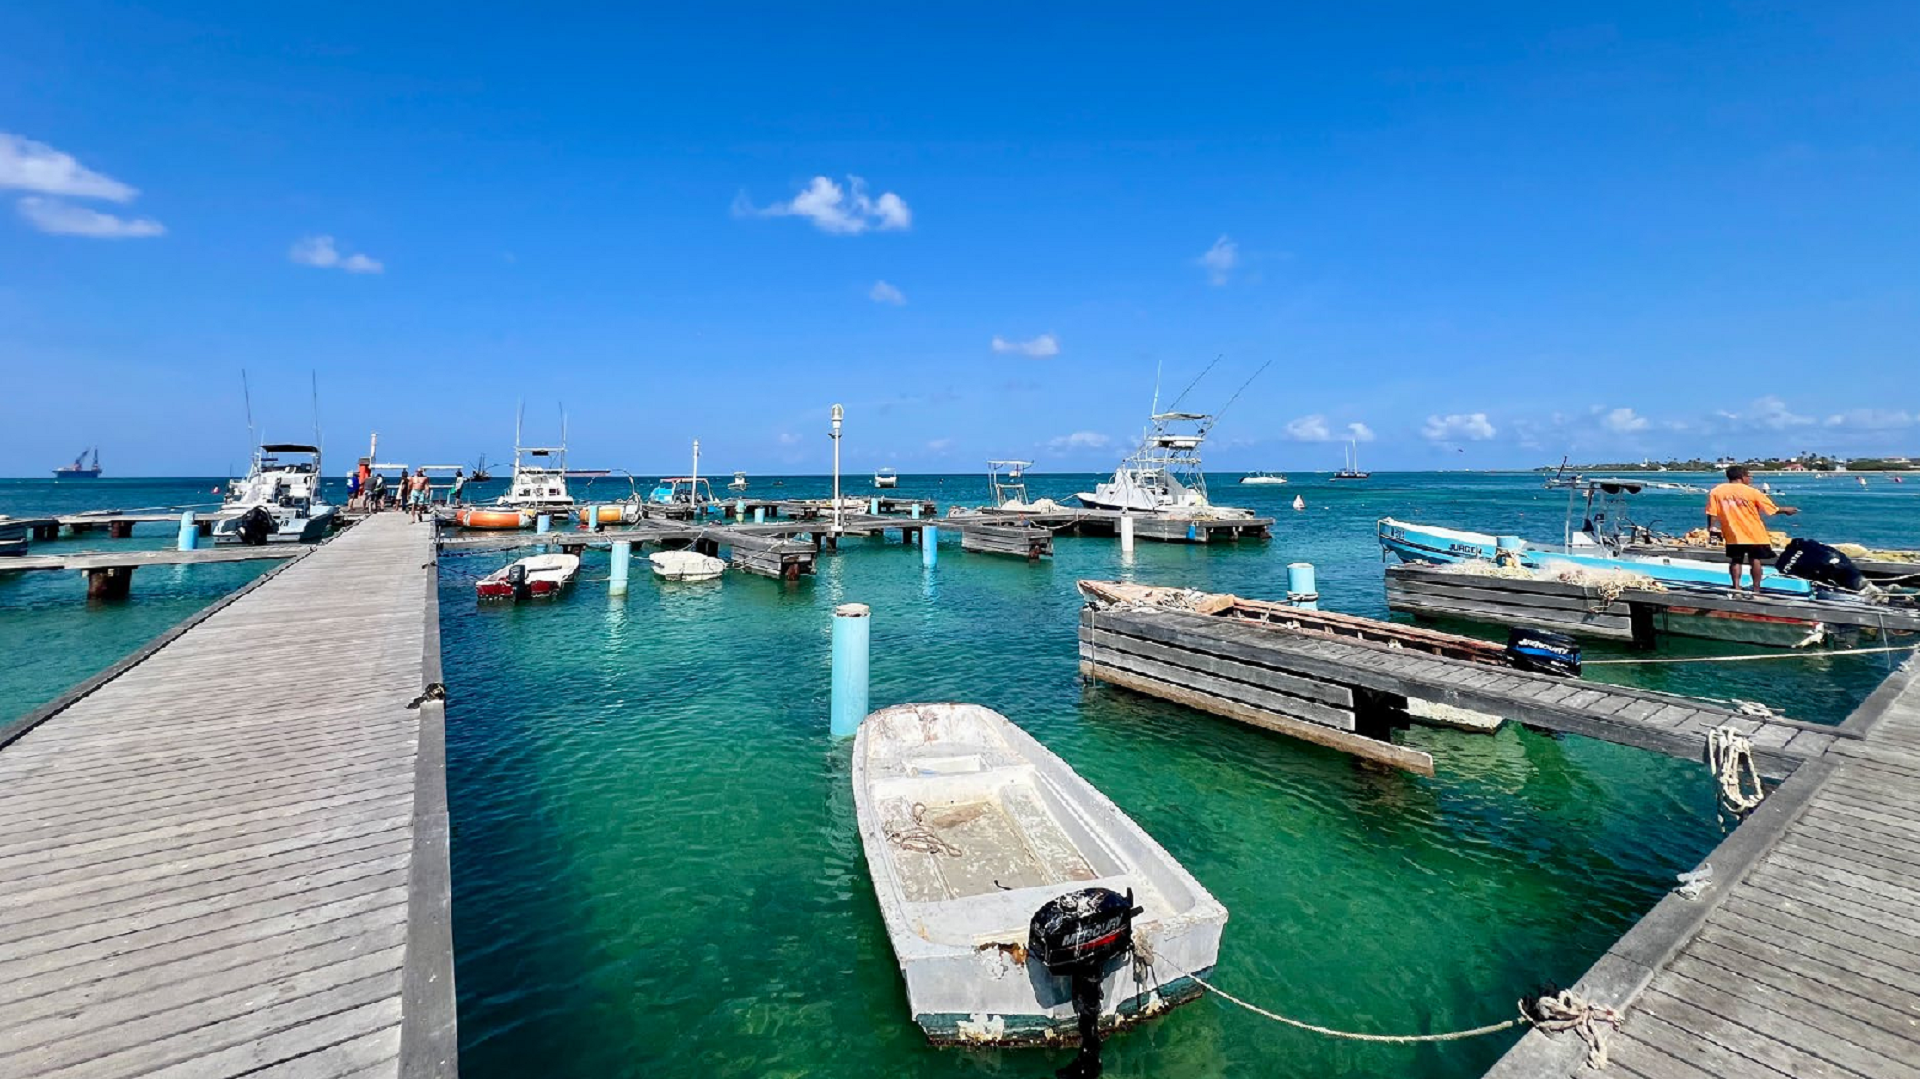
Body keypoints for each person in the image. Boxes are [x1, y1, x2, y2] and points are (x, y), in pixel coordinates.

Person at [1706, 465, 1798, 594]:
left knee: (1736, 560)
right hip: (1754, 532)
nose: (1750, 479)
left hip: (1732, 532)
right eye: (1749, 476)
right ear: (1742, 477)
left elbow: (1712, 512)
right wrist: (1786, 510)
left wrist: (1711, 528)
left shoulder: (1717, 491)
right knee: (1755, 560)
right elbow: (1771, 509)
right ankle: (1756, 589)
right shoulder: (1752, 492)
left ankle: (1736, 587)